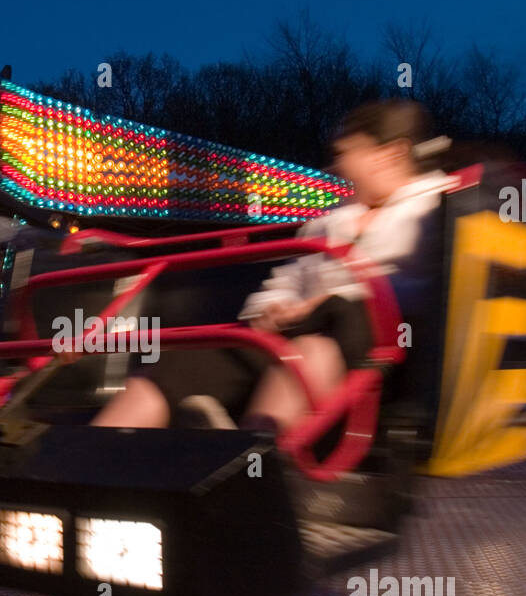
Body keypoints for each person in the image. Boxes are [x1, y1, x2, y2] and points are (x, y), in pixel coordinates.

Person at [91, 98, 453, 434]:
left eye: (350, 153)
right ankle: (86, 472)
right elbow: (289, 278)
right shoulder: (334, 219)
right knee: (174, 369)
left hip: (372, 345)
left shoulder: (435, 210)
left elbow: (424, 289)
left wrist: (323, 303)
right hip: (293, 332)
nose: (339, 166)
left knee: (316, 344)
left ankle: (253, 462)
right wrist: (271, 308)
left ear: (390, 154)